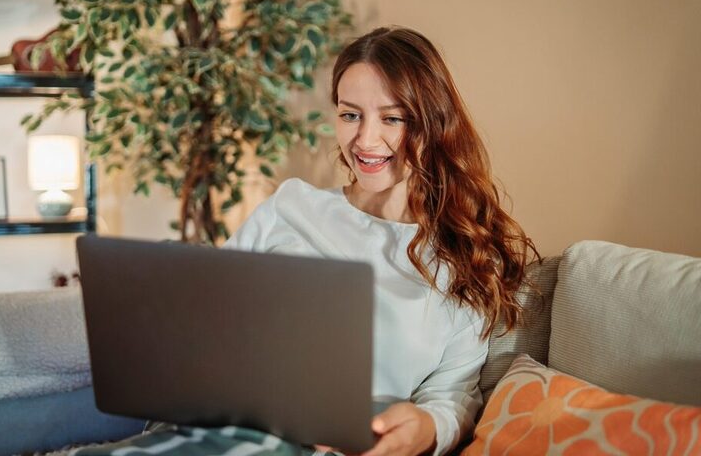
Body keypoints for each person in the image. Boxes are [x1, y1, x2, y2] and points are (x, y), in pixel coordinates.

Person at [75, 26, 538, 456]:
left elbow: (453, 397)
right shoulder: (290, 206)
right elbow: (207, 319)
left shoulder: (465, 257)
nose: (365, 139)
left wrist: (426, 427)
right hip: (226, 423)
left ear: (434, 124)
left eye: (392, 118)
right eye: (350, 115)